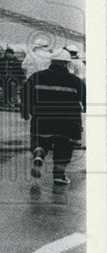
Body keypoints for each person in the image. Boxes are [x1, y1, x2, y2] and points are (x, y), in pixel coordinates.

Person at [21, 47, 86, 198]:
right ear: (67, 64)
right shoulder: (76, 81)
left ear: (52, 62)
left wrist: (26, 111)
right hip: (68, 123)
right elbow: (86, 100)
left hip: (42, 119)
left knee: (42, 140)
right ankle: (59, 175)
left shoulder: (36, 77)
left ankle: (39, 153)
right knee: (64, 146)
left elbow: (25, 94)